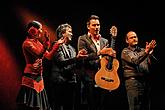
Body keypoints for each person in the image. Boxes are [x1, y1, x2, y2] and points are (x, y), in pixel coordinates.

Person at [16, 20, 64, 110]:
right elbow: (39, 54)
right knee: (32, 106)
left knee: (41, 106)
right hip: (30, 77)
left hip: (39, 77)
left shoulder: (37, 42)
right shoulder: (27, 43)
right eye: (39, 29)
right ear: (33, 30)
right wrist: (46, 42)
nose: (41, 32)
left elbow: (48, 56)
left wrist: (56, 45)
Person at [77, 15, 117, 110]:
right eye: (94, 25)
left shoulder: (105, 41)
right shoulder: (83, 39)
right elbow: (83, 57)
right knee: (91, 105)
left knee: (103, 105)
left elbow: (107, 60)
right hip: (89, 77)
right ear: (88, 26)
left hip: (104, 77)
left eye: (98, 25)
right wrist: (99, 52)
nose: (96, 27)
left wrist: (112, 56)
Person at [46, 23, 87, 110]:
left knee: (69, 106)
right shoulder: (56, 45)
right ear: (62, 33)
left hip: (70, 82)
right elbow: (62, 63)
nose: (72, 34)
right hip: (59, 82)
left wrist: (81, 58)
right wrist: (76, 58)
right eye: (69, 32)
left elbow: (75, 65)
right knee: (57, 106)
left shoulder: (72, 49)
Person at [121, 31, 157, 110]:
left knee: (146, 106)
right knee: (135, 107)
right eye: (131, 37)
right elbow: (135, 60)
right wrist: (146, 52)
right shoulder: (125, 51)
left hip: (145, 83)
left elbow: (154, 66)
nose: (134, 39)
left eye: (135, 37)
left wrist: (150, 54)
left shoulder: (143, 50)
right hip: (133, 84)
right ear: (127, 41)